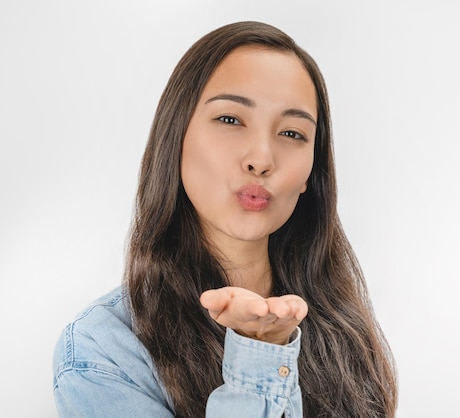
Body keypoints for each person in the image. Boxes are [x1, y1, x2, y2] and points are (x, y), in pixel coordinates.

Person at [52, 21, 398, 417]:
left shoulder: (340, 325)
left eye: (292, 133)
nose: (262, 159)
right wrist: (260, 355)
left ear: (310, 175)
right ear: (176, 136)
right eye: (230, 120)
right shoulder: (103, 351)